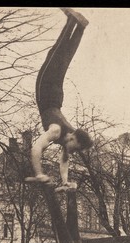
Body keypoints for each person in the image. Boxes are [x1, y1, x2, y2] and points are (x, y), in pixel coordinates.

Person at [29, 7, 93, 188]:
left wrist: (65, 182)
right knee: (55, 54)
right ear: (73, 137)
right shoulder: (57, 131)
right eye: (75, 147)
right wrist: (39, 173)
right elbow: (36, 148)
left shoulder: (67, 141)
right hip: (47, 91)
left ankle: (80, 27)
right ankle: (72, 21)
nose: (72, 151)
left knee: (64, 60)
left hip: (57, 98)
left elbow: (64, 163)